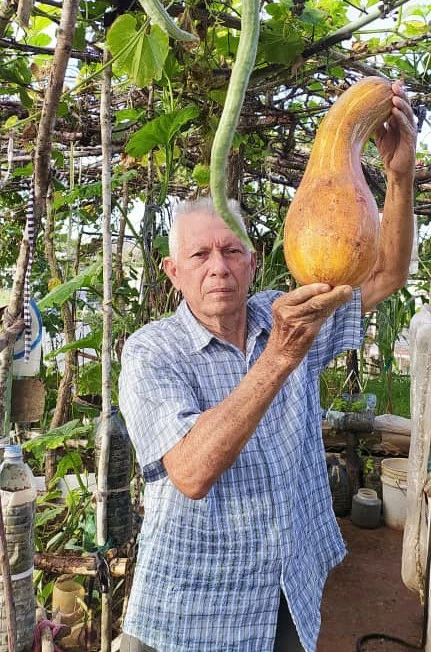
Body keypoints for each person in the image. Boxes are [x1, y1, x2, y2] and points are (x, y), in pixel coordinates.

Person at [118, 79, 416, 652]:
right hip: (189, 614)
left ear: (254, 263)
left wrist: (399, 177)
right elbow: (191, 472)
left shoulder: (286, 311)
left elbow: (385, 275)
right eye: (199, 255)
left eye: (231, 252)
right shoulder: (151, 352)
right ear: (172, 272)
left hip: (285, 595)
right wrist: (282, 354)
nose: (218, 268)